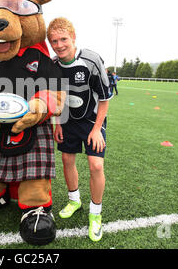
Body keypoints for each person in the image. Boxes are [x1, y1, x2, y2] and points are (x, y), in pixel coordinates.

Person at [47, 17, 112, 242]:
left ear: (73, 38)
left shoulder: (91, 61)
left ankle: (96, 214)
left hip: (92, 121)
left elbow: (104, 99)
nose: (59, 45)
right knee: (67, 160)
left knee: (95, 165)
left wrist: (96, 130)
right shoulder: (53, 66)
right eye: (54, 41)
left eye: (63, 39)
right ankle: (74, 200)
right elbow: (55, 99)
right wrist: (56, 123)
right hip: (66, 122)